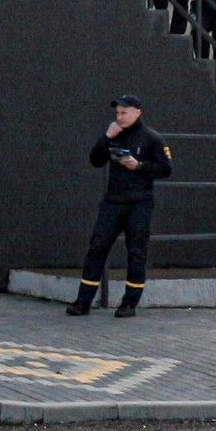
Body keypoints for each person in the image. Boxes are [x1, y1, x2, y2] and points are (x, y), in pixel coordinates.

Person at [67, 94, 173, 318]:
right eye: (117, 113)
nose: (120, 117)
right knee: (97, 248)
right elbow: (95, 160)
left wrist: (139, 166)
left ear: (137, 112)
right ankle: (83, 301)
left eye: (124, 113)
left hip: (139, 203)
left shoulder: (152, 138)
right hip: (113, 201)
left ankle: (129, 304)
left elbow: (165, 168)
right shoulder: (114, 135)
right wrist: (106, 137)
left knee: (136, 252)